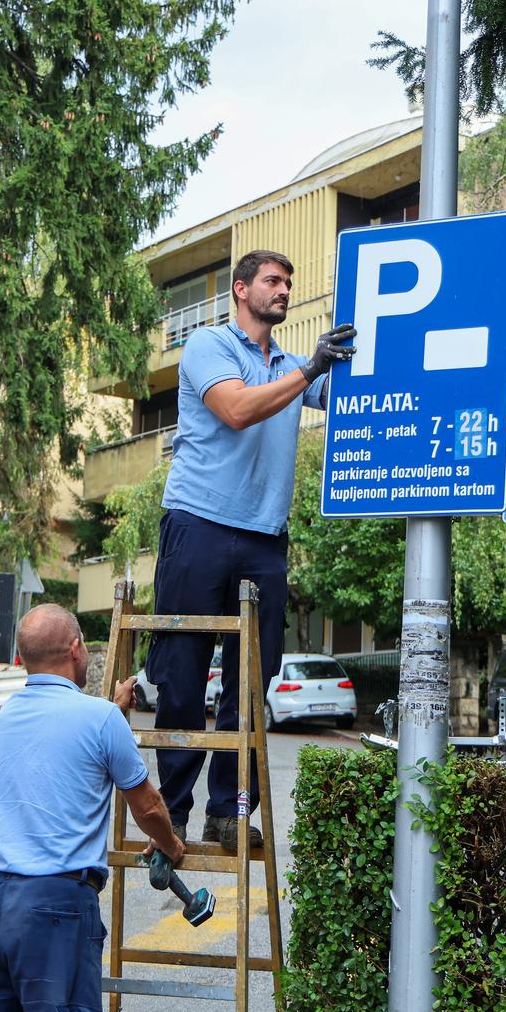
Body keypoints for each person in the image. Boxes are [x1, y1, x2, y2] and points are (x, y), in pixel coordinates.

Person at [144, 248, 356, 852]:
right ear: (241, 290)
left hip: (265, 537)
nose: (283, 290)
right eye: (272, 281)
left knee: (250, 685)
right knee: (183, 678)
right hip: (199, 525)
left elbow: (348, 401)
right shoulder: (210, 347)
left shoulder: (290, 363)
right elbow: (237, 410)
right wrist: (312, 370)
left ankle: (229, 812)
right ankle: (174, 814)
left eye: (289, 282)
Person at [0, 604, 184, 1012]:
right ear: (77, 649)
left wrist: (113, 709)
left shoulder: (8, 715)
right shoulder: (100, 720)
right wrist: (169, 844)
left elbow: (69, 739)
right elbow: (149, 807)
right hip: (57, 905)